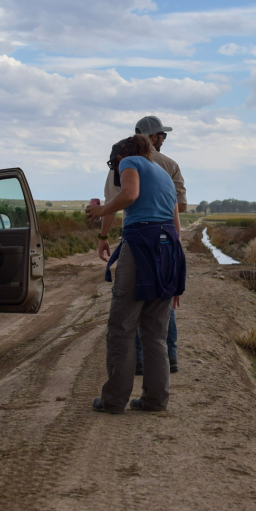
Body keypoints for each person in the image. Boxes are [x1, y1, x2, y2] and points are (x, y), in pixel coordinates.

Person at [87, 135, 185, 414]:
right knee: (155, 332)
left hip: (141, 245)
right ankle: (155, 400)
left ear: (120, 159)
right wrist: (175, 276)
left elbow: (129, 194)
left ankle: (114, 400)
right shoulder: (164, 174)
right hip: (167, 251)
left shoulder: (129, 161)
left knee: (122, 328)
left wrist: (100, 211)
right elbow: (177, 230)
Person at [102, 115, 187, 375]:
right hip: (166, 238)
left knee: (131, 304)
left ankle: (135, 363)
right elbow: (180, 207)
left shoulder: (124, 162)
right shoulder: (169, 166)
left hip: (138, 237)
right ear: (152, 137)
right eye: (162, 135)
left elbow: (114, 201)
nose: (163, 140)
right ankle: (169, 358)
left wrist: (102, 235)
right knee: (161, 299)